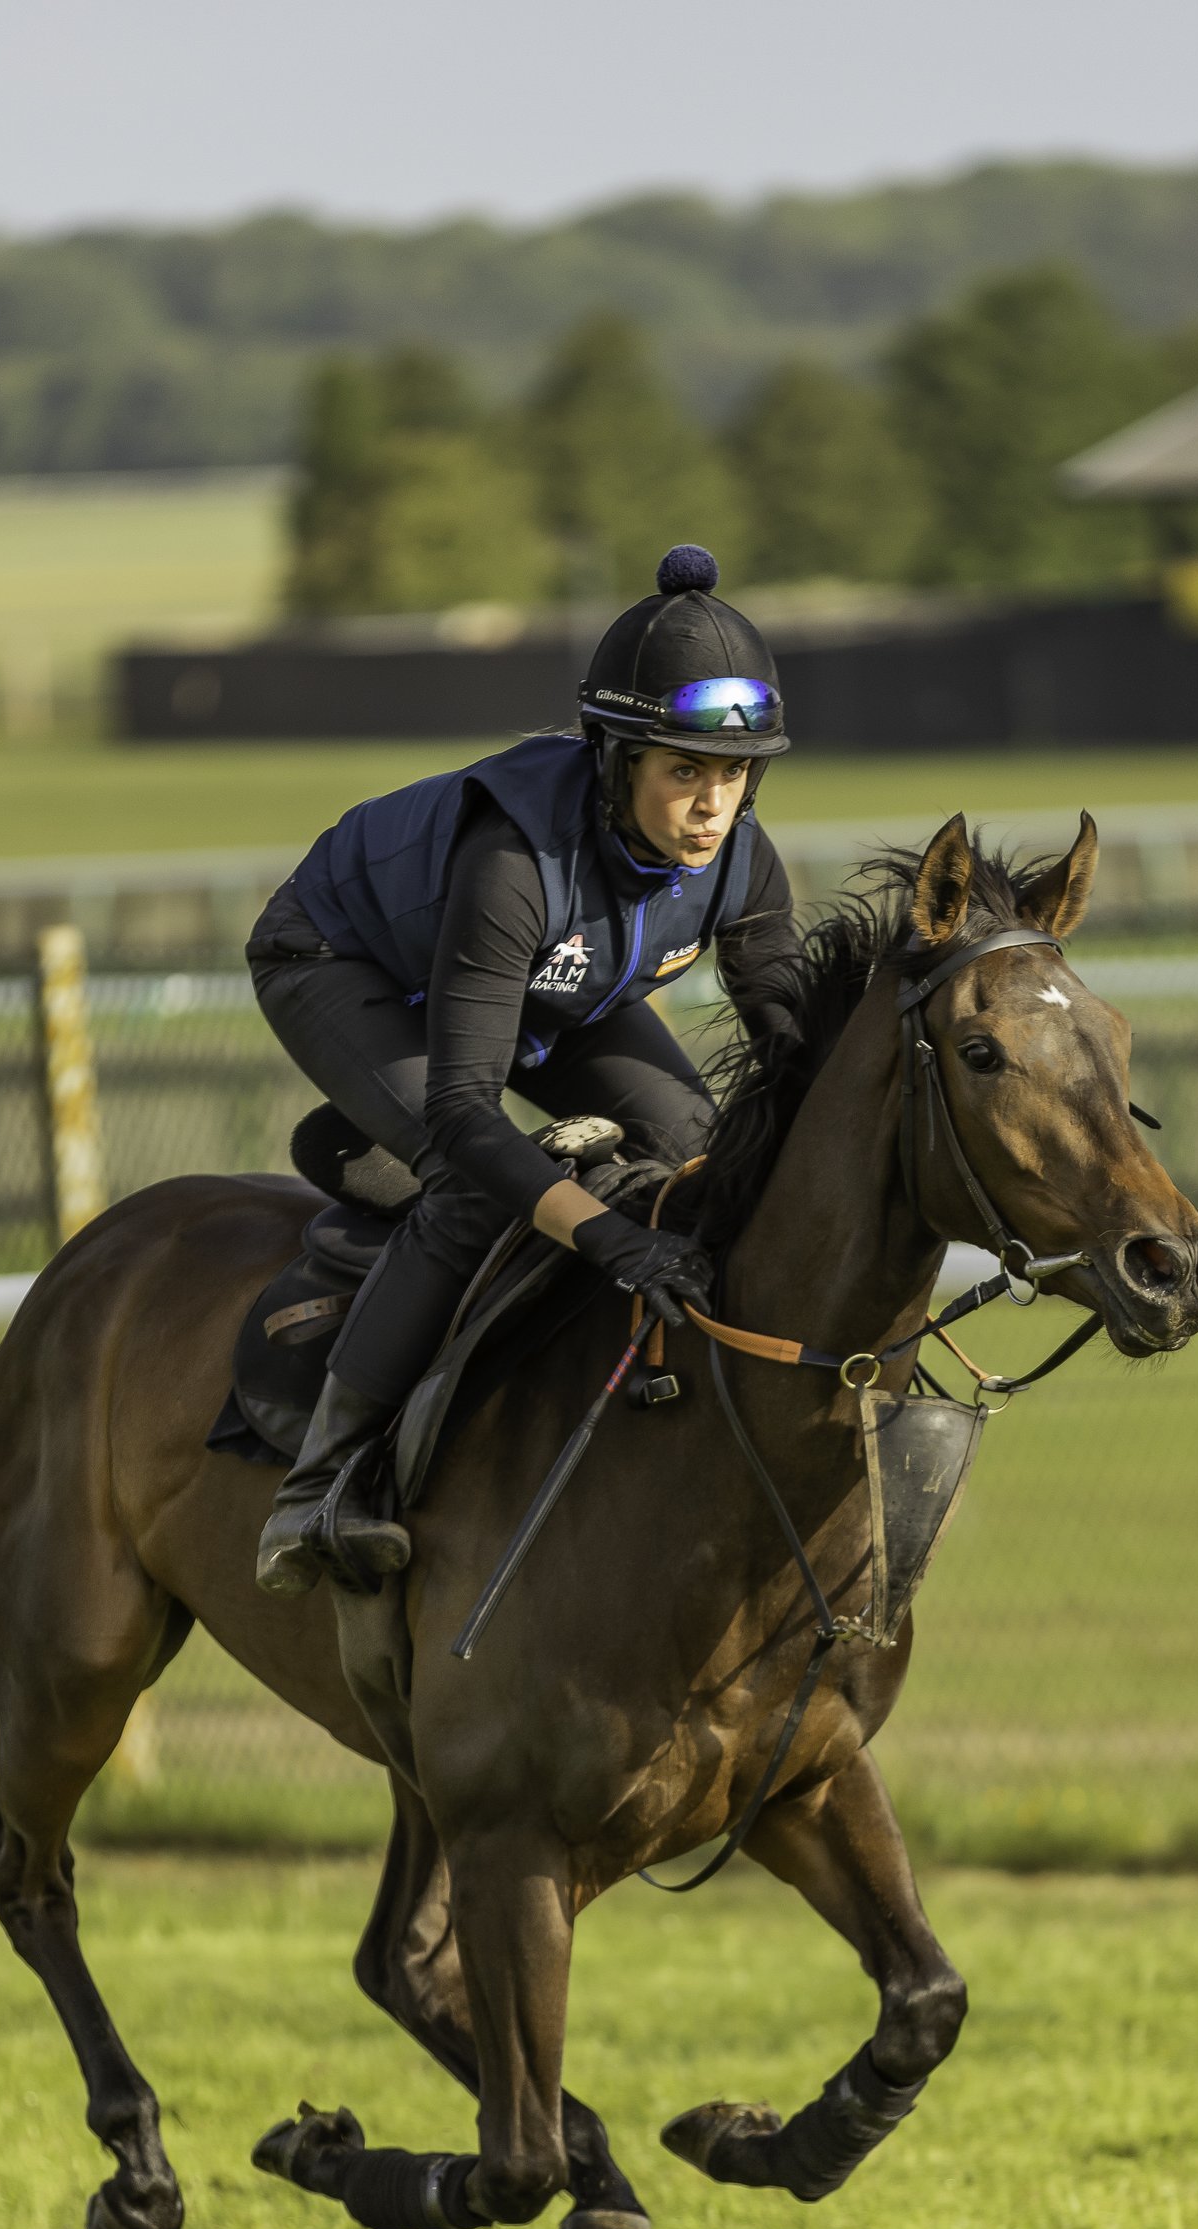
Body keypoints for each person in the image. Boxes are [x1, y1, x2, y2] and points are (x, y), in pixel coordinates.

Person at [248, 543, 802, 1596]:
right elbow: (465, 1104)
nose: (711, 805)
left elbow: (791, 1048)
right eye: (683, 769)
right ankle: (317, 1486)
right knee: (467, 1180)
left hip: (549, 996)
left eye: (731, 773)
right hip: (343, 962)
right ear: (616, 759)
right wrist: (604, 1239)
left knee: (699, 1150)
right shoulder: (512, 860)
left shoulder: (742, 858)